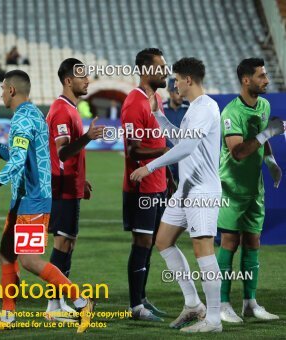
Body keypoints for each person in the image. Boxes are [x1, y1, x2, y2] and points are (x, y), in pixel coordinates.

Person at [0, 70, 95, 333]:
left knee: (29, 260)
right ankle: (8, 317)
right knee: (6, 255)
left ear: (11, 90)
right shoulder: (30, 114)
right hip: (24, 200)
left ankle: (82, 301)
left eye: (1, 88)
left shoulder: (23, 120)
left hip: (33, 201)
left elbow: (16, 163)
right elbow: (16, 154)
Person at [131, 57, 223, 332]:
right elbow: (179, 139)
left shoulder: (206, 108)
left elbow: (186, 149)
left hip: (202, 190)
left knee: (202, 249)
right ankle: (194, 304)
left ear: (188, 80)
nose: (173, 85)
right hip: (186, 190)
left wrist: (149, 166)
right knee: (163, 241)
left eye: (176, 80)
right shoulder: (193, 108)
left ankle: (215, 319)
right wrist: (158, 115)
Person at [217, 58, 283, 323]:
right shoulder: (231, 113)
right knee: (230, 243)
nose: (266, 80)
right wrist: (268, 133)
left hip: (254, 189)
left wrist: (271, 161)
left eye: (266, 75)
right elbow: (239, 152)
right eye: (261, 76)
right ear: (246, 80)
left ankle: (250, 303)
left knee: (253, 242)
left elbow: (261, 141)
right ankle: (222, 303)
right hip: (231, 189)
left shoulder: (265, 105)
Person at [44, 58, 104, 322]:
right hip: (61, 188)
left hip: (70, 185)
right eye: (81, 76)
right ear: (68, 81)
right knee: (62, 242)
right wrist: (88, 137)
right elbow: (63, 152)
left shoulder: (69, 109)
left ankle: (57, 302)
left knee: (68, 242)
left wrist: (82, 179)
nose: (87, 80)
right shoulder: (61, 110)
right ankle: (53, 305)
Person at [121, 48, 173, 322]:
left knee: (151, 242)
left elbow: (157, 143)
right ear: (145, 70)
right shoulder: (134, 102)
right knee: (141, 241)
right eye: (160, 66)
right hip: (141, 186)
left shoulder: (157, 99)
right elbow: (133, 150)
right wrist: (163, 151)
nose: (165, 71)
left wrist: (170, 176)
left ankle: (142, 298)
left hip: (159, 183)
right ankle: (135, 307)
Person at [162, 78, 189, 183]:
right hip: (167, 160)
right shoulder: (161, 110)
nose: (181, 95)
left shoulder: (189, 108)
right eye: (177, 92)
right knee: (167, 195)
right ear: (170, 92)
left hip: (185, 159)